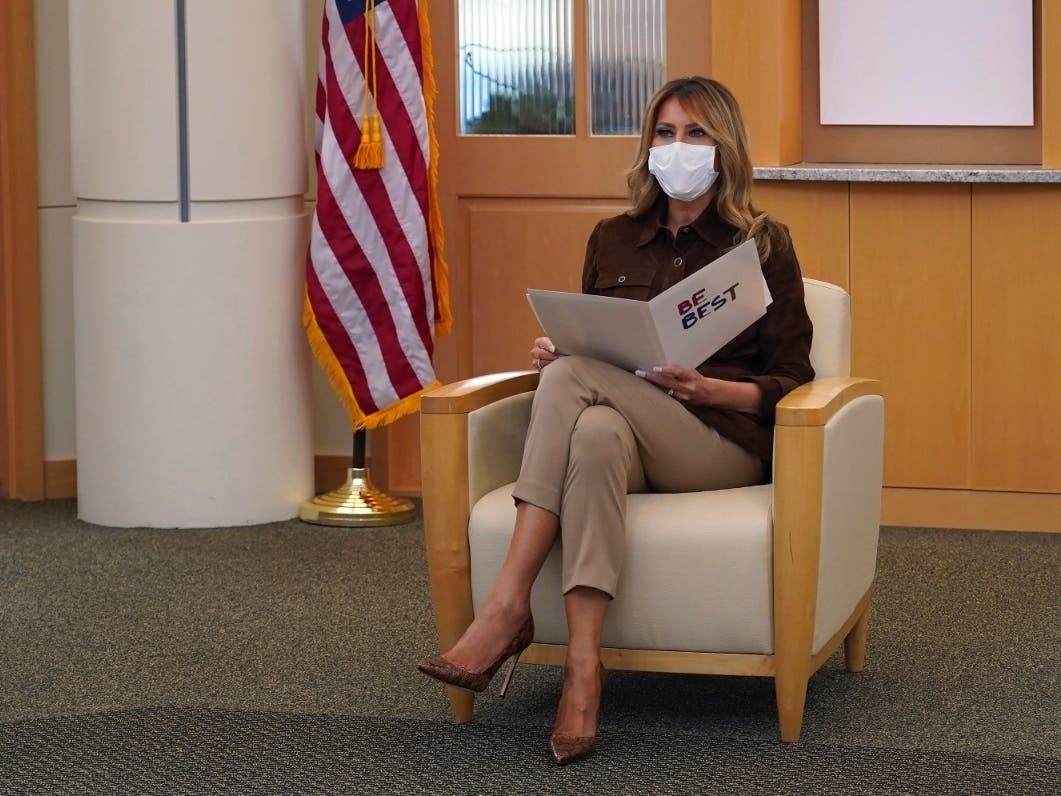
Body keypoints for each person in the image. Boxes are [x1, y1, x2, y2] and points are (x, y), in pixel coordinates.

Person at [417, 76, 814, 765]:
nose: (677, 147)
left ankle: (505, 607)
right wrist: (564, 350)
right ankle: (581, 670)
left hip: (717, 443)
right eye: (665, 133)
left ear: (725, 149)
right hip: (626, 434)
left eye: (695, 134)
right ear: (647, 145)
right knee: (592, 425)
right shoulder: (612, 238)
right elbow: (595, 352)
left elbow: (793, 380)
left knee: (575, 379)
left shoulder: (763, 244)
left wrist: (709, 391)